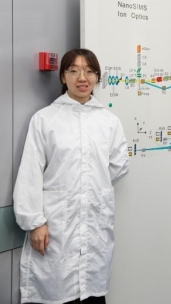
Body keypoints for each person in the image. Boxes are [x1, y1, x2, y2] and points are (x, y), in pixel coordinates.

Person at [13, 49, 129, 304]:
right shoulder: (45, 119)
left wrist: (89, 184)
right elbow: (30, 172)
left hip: (95, 222)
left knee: (92, 291)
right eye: (74, 71)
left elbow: (118, 164)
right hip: (55, 225)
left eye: (89, 71)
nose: (82, 77)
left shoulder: (109, 121)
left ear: (97, 77)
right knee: (55, 290)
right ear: (63, 77)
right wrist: (35, 222)